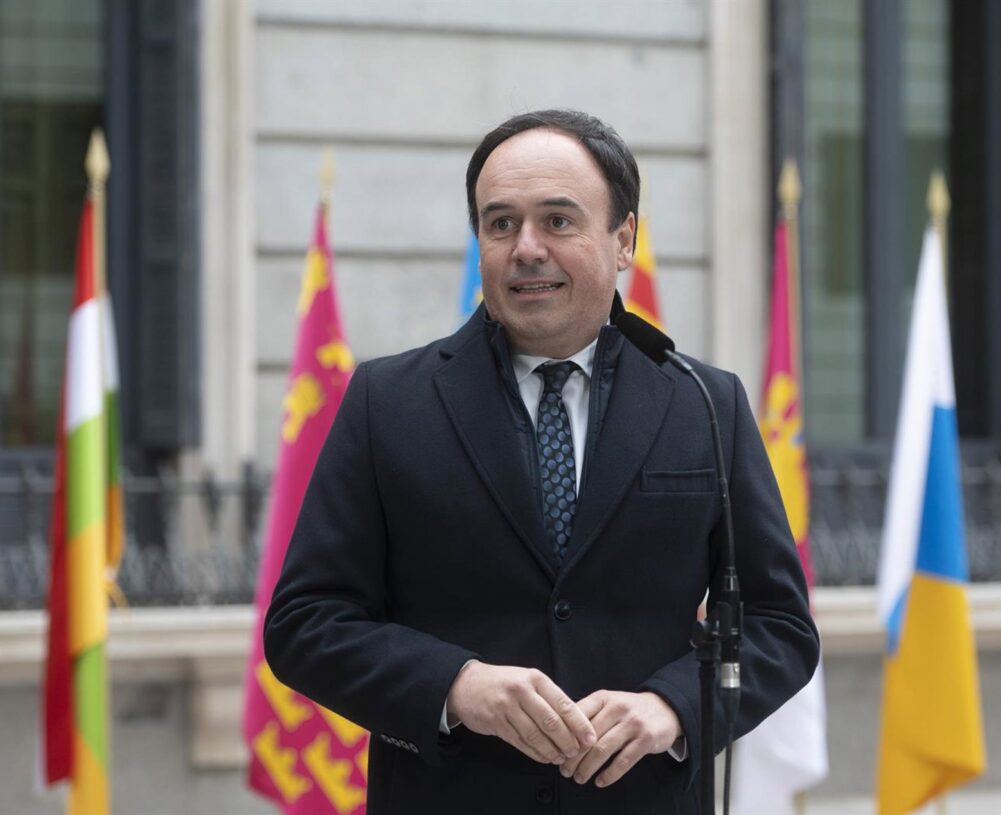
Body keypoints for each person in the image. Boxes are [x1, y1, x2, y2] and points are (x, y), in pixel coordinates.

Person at [264, 109, 819, 815]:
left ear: (623, 240)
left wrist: (674, 706)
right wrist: (456, 686)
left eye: (558, 221)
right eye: (501, 224)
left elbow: (781, 626)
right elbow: (304, 623)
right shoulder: (387, 403)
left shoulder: (705, 404)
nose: (527, 247)